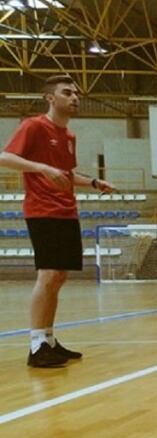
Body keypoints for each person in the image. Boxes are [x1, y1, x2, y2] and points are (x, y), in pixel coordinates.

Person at [0, 75, 116, 368]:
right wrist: (39, 166)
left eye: (76, 93)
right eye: (67, 92)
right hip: (42, 210)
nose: (74, 97)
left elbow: (64, 174)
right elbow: (5, 157)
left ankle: (49, 339)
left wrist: (92, 182)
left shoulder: (69, 136)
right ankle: (37, 344)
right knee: (49, 275)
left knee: (60, 277)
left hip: (66, 210)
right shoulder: (34, 126)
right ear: (51, 98)